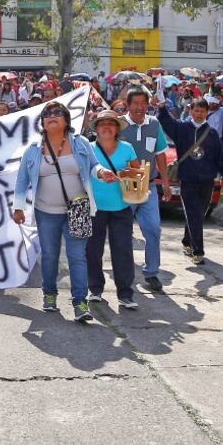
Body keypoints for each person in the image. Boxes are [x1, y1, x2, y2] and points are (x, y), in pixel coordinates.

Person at [12, 101, 116, 322]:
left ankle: (80, 302)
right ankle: (49, 294)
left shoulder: (81, 144)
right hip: (45, 212)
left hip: (78, 211)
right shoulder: (32, 150)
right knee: (49, 256)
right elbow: (22, 181)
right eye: (47, 113)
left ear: (67, 120)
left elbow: (93, 166)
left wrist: (102, 173)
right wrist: (18, 207)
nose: (52, 116)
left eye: (57, 112)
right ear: (42, 122)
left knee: (77, 257)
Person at [157, 96, 223, 265]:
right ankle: (198, 251)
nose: (199, 114)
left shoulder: (212, 134)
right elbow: (167, 122)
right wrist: (162, 108)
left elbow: (220, 157)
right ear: (190, 110)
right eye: (196, 110)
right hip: (187, 179)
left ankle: (187, 240)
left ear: (207, 113)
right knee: (193, 213)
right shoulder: (182, 129)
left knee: (199, 214)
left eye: (202, 111)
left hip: (207, 181)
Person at [87, 110, 141, 308]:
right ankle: (95, 289)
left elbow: (138, 173)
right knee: (92, 251)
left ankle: (125, 294)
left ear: (117, 128)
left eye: (111, 123)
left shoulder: (127, 148)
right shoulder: (88, 148)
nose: (107, 127)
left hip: (121, 207)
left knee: (123, 251)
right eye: (102, 123)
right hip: (95, 208)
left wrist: (126, 174)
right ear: (97, 128)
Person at [121, 88, 172, 292]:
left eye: (144, 103)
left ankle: (151, 273)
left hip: (148, 186)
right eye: (136, 103)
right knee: (122, 233)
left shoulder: (154, 124)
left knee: (153, 229)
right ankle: (123, 273)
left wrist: (165, 183)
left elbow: (160, 155)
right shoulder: (119, 125)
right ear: (128, 104)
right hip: (123, 187)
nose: (140, 107)